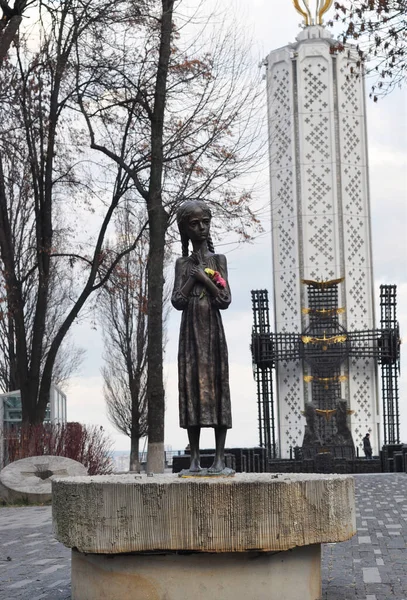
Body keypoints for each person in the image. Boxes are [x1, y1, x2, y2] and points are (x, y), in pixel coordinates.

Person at [171, 200, 232, 473]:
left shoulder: (218, 261)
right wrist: (192, 277)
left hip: (213, 333)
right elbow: (177, 300)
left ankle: (219, 459)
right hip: (191, 335)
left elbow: (225, 299)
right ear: (185, 229)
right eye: (194, 224)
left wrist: (205, 279)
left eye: (205, 222)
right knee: (191, 388)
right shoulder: (182, 263)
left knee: (218, 388)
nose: (202, 228)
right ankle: (194, 460)